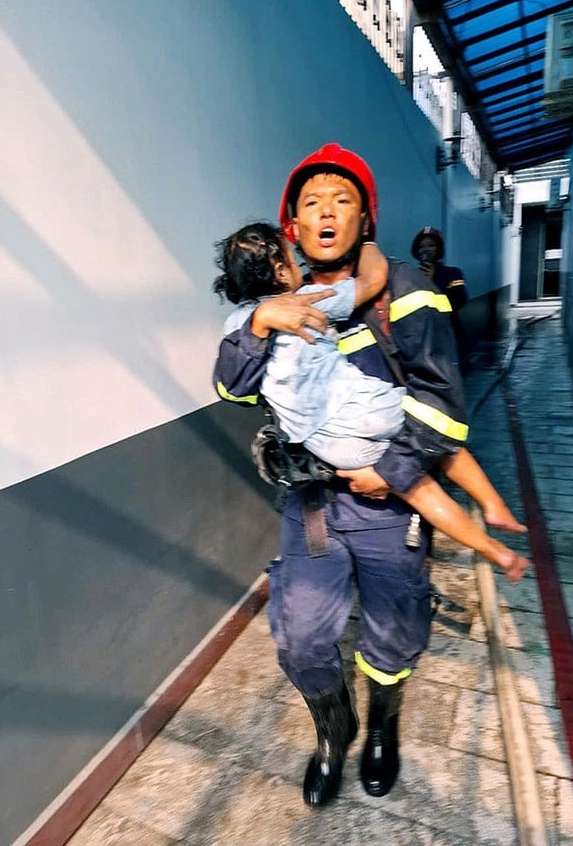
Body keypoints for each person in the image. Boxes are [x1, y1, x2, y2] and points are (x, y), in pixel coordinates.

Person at [212, 144, 528, 808]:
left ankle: (382, 723)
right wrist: (260, 326)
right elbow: (232, 388)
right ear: (291, 230)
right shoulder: (277, 303)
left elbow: (443, 404)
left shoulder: (409, 292)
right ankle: (334, 733)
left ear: (365, 219)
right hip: (315, 506)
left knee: (396, 626)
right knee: (299, 631)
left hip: (387, 501)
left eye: (342, 199)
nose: (326, 211)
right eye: (311, 203)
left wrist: (390, 470)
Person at [212, 219, 527, 577]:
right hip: (368, 409)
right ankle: (492, 505)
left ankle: (498, 554)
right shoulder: (304, 301)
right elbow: (372, 282)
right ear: (282, 272)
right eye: (290, 256)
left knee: (418, 491)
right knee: (436, 439)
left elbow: (231, 382)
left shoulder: (238, 324)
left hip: (331, 448)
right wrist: (368, 244)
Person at [411, 226, 468, 365]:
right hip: (423, 340)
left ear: (438, 249)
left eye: (431, 245)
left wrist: (432, 283)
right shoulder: (410, 277)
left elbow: (459, 301)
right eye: (422, 246)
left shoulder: (453, 274)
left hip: (449, 337)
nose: (426, 249)